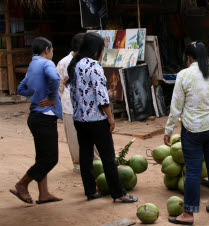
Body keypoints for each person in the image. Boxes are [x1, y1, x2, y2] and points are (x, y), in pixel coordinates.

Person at [164, 41, 209, 225]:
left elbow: (176, 107)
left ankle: (188, 214)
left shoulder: (183, 75)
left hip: (192, 130)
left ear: (189, 58)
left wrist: (168, 130)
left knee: (193, 172)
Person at [66, 32, 137, 203]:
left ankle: (90, 191)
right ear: (96, 49)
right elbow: (102, 97)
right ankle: (119, 193)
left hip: (79, 120)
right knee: (108, 158)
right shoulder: (94, 66)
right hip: (96, 120)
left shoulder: (74, 64)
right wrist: (110, 118)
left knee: (86, 156)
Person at [10, 37, 63, 204]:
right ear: (47, 49)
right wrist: (51, 97)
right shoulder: (47, 64)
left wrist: (35, 95)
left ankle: (44, 193)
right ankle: (22, 184)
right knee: (50, 158)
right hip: (45, 116)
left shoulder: (32, 65)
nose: (52, 53)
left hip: (34, 117)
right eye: (52, 50)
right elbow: (55, 79)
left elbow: (21, 88)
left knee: (42, 157)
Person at [57, 33, 100, 173]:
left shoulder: (89, 62)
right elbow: (60, 87)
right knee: (74, 138)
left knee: (91, 137)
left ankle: (96, 163)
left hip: (88, 107)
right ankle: (79, 164)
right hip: (70, 106)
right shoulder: (64, 62)